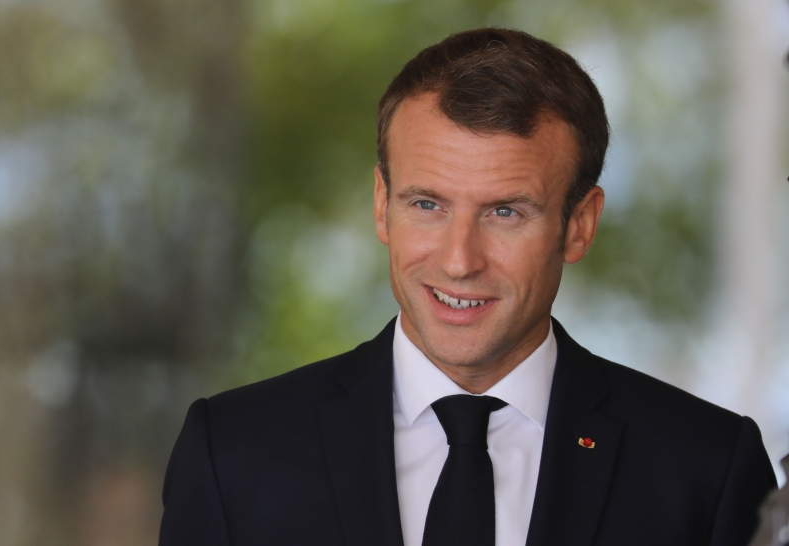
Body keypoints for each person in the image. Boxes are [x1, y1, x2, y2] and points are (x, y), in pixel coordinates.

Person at [158, 28, 776, 546]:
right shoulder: (233, 454)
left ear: (579, 225)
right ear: (381, 205)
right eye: (427, 204)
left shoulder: (705, 469)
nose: (459, 261)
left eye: (506, 212)